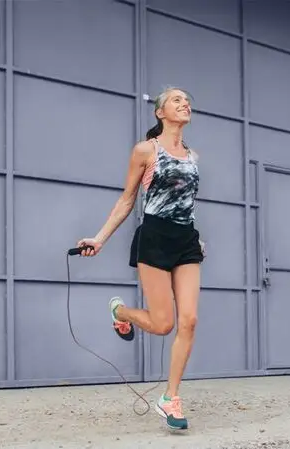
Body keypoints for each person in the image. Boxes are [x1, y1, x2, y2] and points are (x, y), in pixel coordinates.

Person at [75, 87, 205, 430]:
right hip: (155, 238)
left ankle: (170, 398)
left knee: (189, 321)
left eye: (187, 100)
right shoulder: (146, 150)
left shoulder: (193, 156)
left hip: (186, 240)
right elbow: (126, 200)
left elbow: (185, 202)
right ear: (160, 112)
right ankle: (121, 312)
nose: (184, 103)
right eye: (176, 100)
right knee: (163, 325)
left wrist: (197, 237)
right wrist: (99, 239)